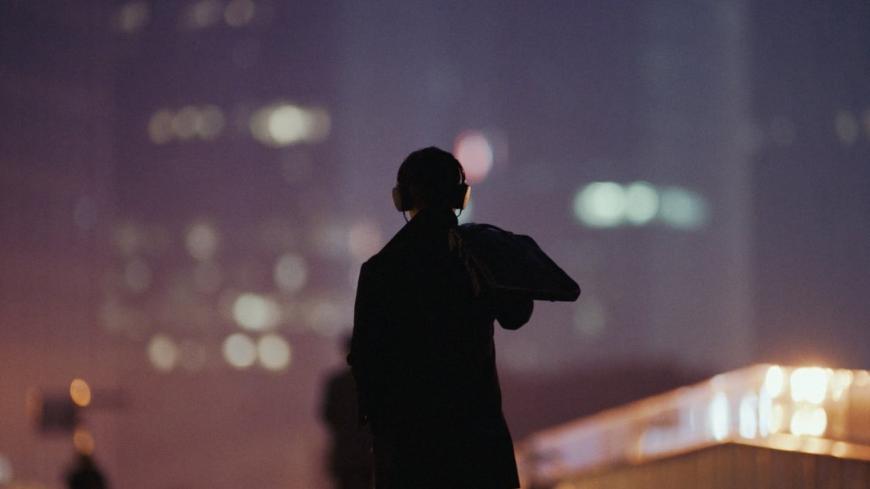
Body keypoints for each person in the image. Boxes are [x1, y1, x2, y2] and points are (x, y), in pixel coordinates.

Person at [348, 147, 534, 489]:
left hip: (409, 448)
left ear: (402, 198)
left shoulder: (381, 269)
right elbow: (516, 315)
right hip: (478, 440)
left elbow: (365, 360)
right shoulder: (481, 254)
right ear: (460, 195)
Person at [321, 335, 373, 489]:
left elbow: (328, 415)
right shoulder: (372, 383)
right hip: (367, 455)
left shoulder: (336, 383)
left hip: (345, 455)